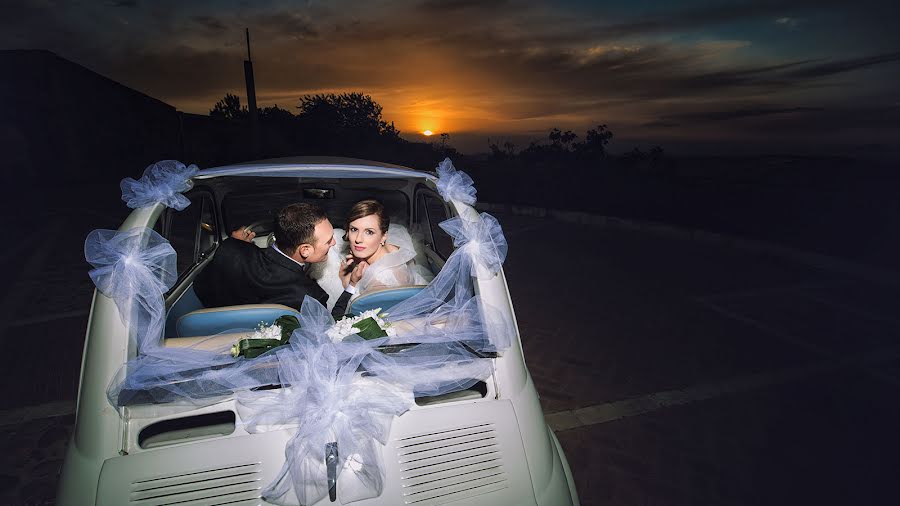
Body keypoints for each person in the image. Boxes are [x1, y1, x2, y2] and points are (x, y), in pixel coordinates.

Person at [193, 202, 365, 319]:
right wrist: (351, 285)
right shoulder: (311, 295)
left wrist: (239, 246)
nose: (334, 242)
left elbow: (201, 288)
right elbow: (333, 325)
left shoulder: (229, 250)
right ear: (305, 250)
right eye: (328, 241)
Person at [339, 199, 431, 296]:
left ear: (384, 236)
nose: (358, 239)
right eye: (354, 229)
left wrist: (345, 280)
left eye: (369, 232)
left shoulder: (378, 280)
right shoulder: (391, 248)